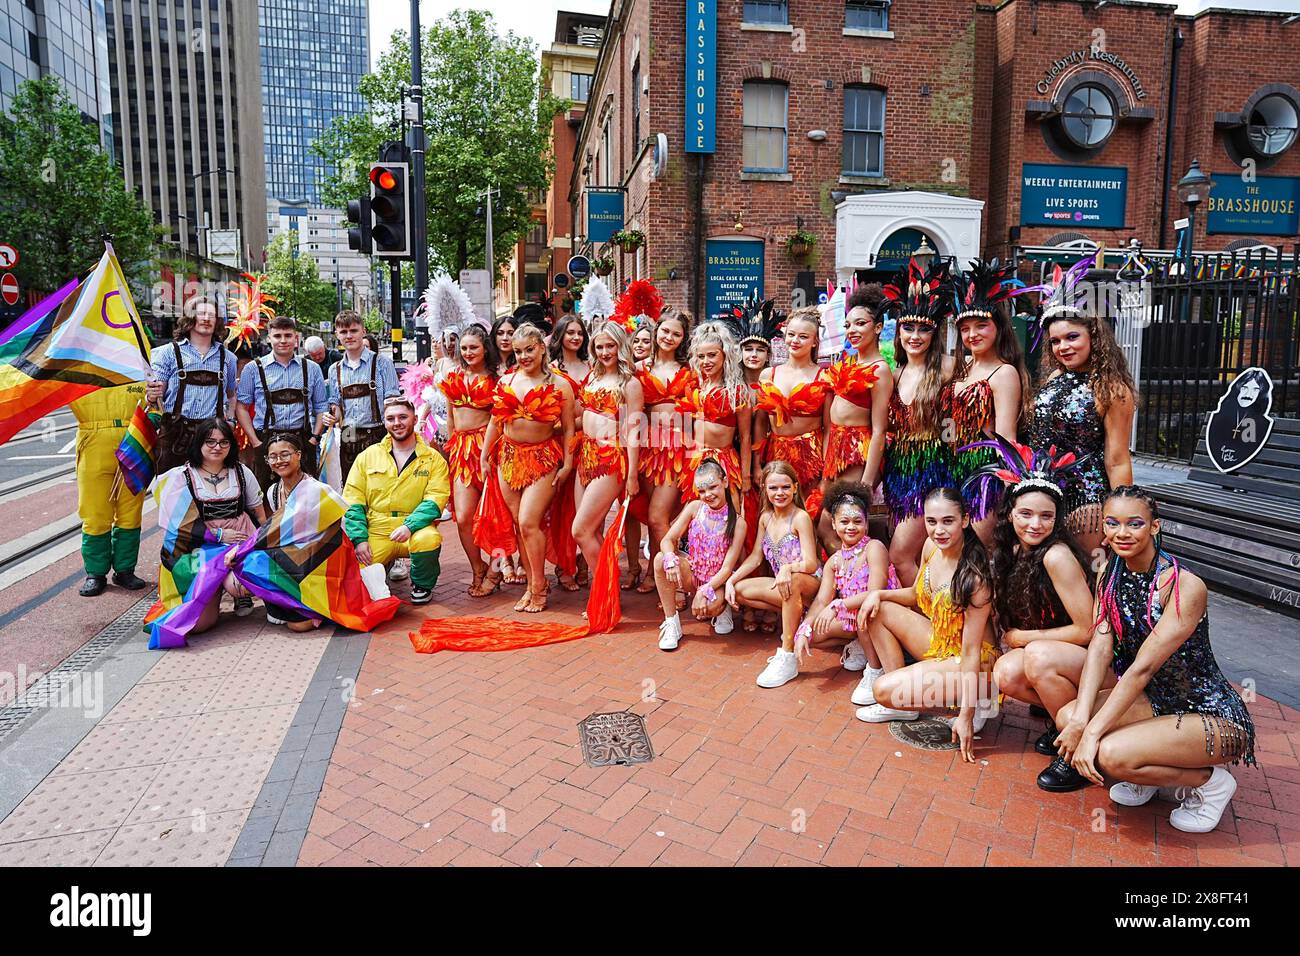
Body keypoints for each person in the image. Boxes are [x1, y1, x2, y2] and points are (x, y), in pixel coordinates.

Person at [1050, 486, 1255, 832]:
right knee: (1067, 716)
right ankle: (1145, 771)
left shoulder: (1182, 585)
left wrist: (1091, 733)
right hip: (1156, 700)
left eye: (1135, 524)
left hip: (1209, 713)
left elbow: (1142, 668)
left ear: (1155, 527)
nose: (1122, 533)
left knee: (1109, 753)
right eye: (1112, 523)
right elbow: (1100, 647)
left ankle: (1210, 784)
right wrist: (1081, 720)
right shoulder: (1109, 573)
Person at [966, 440, 1096, 790]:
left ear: (1057, 519)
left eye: (1046, 516)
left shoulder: (1056, 556)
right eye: (1026, 514)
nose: (1035, 524)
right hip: (1059, 655)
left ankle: (1075, 753)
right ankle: (1060, 721)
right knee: (1006, 674)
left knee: (1034, 657)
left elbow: (1088, 629)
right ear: (1010, 512)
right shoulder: (1008, 550)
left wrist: (1024, 638)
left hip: (1094, 659)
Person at [856, 487, 1000, 763]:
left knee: (882, 691)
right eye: (931, 521)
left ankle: (980, 699)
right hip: (942, 644)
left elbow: (970, 652)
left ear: (965, 520)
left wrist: (965, 716)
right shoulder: (931, 547)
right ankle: (903, 707)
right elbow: (914, 594)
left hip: (977, 661)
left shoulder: (975, 577)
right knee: (879, 611)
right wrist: (878, 594)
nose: (939, 530)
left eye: (948, 521)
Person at [1025, 254, 1137, 555]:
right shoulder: (1053, 380)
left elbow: (1117, 460)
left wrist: (1118, 516)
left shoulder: (1112, 389)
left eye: (1072, 337)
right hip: (1042, 493)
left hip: (1085, 501)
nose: (1063, 347)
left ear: (1094, 336)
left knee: (1089, 577)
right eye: (1055, 341)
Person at [479, 323, 576, 613]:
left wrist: (568, 464)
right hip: (508, 458)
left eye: (529, 349)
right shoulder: (507, 382)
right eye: (518, 351)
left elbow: (570, 429)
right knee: (520, 526)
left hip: (543, 459)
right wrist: (485, 456)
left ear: (542, 347)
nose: (523, 356)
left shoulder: (560, 385)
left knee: (529, 521)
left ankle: (539, 587)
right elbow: (496, 422)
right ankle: (534, 583)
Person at [880, 260, 957, 586]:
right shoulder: (894, 372)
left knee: (899, 554)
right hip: (898, 472)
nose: (915, 336)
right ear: (898, 331)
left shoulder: (948, 368)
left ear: (935, 331)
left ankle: (930, 615)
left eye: (924, 328)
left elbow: (954, 423)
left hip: (932, 471)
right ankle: (926, 616)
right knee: (912, 554)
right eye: (908, 328)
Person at [945, 259, 1028, 545]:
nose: (972, 334)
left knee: (982, 552)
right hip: (952, 467)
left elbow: (1007, 439)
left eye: (981, 325)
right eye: (965, 328)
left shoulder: (1004, 373)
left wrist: (1010, 494)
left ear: (999, 328)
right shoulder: (962, 368)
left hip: (985, 474)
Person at [342, 397, 451, 606]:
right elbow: (353, 500)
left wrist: (410, 526)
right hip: (377, 528)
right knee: (358, 578)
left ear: (415, 418)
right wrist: (359, 539)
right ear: (384, 423)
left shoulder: (432, 458)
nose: (397, 423)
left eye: (403, 417)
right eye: (391, 418)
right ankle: (382, 569)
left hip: (415, 527)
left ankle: (421, 584)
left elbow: (436, 498)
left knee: (429, 540)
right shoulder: (368, 456)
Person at [160, 418, 266, 632]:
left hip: (241, 542)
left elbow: (260, 514)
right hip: (202, 548)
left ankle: (238, 590)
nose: (217, 447)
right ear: (199, 443)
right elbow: (177, 524)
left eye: (223, 442)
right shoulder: (182, 477)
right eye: (210, 442)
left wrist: (269, 544)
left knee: (239, 586)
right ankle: (215, 586)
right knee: (200, 625)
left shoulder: (242, 472)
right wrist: (218, 535)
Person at [724, 462, 821, 689]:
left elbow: (810, 562)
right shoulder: (765, 518)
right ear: (765, 489)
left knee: (792, 581)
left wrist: (788, 568)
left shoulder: (800, 518)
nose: (780, 493)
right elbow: (756, 557)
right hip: (785, 587)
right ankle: (794, 616)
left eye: (786, 487)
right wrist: (731, 579)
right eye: (774, 488)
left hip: (807, 583)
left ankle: (787, 657)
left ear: (795, 488)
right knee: (739, 591)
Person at [791, 482, 891, 701]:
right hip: (853, 618)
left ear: (866, 523)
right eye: (844, 521)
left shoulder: (874, 548)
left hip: (880, 614)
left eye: (857, 521)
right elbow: (820, 601)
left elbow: (875, 593)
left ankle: (875, 671)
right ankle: (862, 646)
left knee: (864, 613)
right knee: (810, 636)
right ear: (834, 525)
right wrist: (803, 630)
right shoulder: (834, 562)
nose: (851, 527)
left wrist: (837, 606)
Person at [820, 283, 892, 551]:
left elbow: (879, 431)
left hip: (855, 452)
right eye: (848, 325)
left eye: (860, 323)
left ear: (877, 327)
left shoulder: (880, 369)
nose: (852, 330)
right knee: (829, 525)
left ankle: (855, 581)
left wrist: (868, 484)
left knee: (838, 524)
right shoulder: (850, 363)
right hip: (836, 452)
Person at [572, 321, 643, 579]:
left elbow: (633, 430)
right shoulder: (592, 377)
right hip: (586, 456)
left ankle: (606, 593)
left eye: (610, 345)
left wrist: (632, 475)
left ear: (620, 346)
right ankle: (604, 593)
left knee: (580, 529)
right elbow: (584, 416)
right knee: (589, 532)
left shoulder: (630, 384)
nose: (604, 352)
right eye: (599, 346)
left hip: (611, 458)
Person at [653, 459, 748, 651]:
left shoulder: (738, 523)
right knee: (660, 559)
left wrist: (705, 591)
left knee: (710, 608)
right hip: (694, 573)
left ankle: (721, 609)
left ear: (725, 482)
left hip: (718, 581)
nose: (708, 495)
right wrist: (671, 558)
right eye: (702, 490)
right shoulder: (694, 508)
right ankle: (672, 623)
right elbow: (667, 540)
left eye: (713, 487)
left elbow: (728, 568)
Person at [633, 308, 696, 593]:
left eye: (676, 334)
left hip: (678, 449)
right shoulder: (640, 367)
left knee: (660, 516)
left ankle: (677, 580)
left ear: (683, 338)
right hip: (648, 447)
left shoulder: (689, 370)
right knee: (651, 516)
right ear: (656, 331)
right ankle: (651, 571)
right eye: (665, 331)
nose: (669, 337)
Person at [71, 382, 151, 596]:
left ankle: (125, 570)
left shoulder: (138, 365)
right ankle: (95, 573)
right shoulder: (75, 366)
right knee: (95, 513)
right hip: (93, 441)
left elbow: (156, 405)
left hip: (134, 439)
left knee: (131, 512)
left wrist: (152, 416)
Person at [439, 325, 500, 597]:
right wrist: (452, 450)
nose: (468, 352)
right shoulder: (454, 376)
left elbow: (499, 420)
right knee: (463, 516)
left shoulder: (496, 380)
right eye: (464, 348)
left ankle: (496, 567)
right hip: (462, 452)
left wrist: (489, 454)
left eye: (473, 347)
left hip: (488, 452)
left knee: (497, 517)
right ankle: (478, 566)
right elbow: (451, 419)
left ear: (485, 347)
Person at [236, 316, 330, 490]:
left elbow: (321, 407)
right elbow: (241, 407)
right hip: (265, 440)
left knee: (306, 498)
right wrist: (255, 442)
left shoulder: (312, 368)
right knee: (262, 495)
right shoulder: (253, 369)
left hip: (302, 440)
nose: (283, 340)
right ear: (269, 338)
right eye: (277, 336)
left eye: (288, 335)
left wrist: (314, 439)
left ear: (296, 338)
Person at [147, 297, 239, 473]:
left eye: (211, 315)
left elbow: (231, 394)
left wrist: (231, 420)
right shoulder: (166, 353)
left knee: (212, 493)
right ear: (189, 318)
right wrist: (151, 395)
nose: (206, 318)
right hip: (174, 435)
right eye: (201, 314)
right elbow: (156, 395)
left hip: (213, 437)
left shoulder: (228, 358)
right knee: (172, 495)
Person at [753, 306, 830, 512]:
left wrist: (825, 474)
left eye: (803, 336)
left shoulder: (824, 377)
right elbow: (760, 423)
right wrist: (756, 464)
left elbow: (829, 428)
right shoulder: (768, 375)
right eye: (791, 334)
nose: (795, 341)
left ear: (814, 341)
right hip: (775, 455)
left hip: (810, 457)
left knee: (807, 513)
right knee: (775, 515)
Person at [323, 309, 400, 486]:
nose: (349, 336)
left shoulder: (382, 363)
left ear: (363, 331)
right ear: (337, 335)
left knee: (381, 487)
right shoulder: (335, 369)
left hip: (378, 433)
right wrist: (332, 416)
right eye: (343, 332)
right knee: (352, 487)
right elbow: (336, 404)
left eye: (353, 331)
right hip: (348, 435)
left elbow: (392, 401)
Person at [677, 320, 750, 501]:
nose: (706, 361)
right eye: (701, 357)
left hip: (723, 462)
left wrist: (746, 475)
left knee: (725, 518)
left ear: (724, 355)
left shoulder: (736, 392)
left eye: (712, 355)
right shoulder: (697, 387)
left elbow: (746, 437)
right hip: (695, 460)